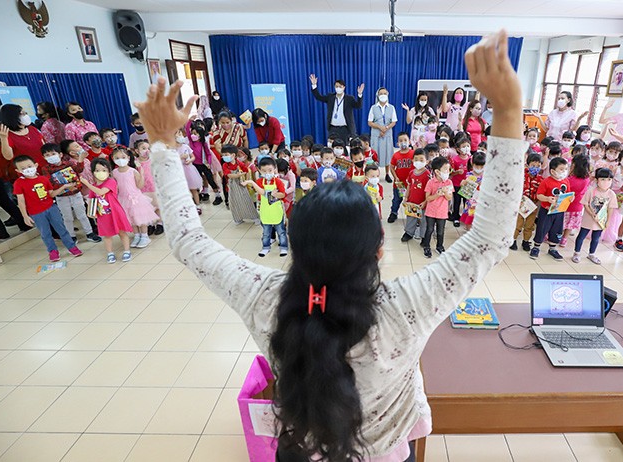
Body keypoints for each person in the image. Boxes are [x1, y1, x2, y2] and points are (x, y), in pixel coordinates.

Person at [136, 30, 523, 461]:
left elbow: (188, 240)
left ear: (297, 245)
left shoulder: (263, 297)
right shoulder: (407, 306)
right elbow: (490, 237)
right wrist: (506, 110)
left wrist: (163, 145)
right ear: (379, 249)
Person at [12, 155, 83, 262]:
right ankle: (52, 251)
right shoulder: (19, 183)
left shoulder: (43, 179)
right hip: (36, 213)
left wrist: (63, 187)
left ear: (35, 165)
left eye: (29, 166)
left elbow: (51, 194)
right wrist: (25, 216)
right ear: (18, 170)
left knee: (61, 229)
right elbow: (20, 201)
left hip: (51, 208)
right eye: (23, 168)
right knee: (45, 233)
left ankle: (71, 247)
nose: (27, 169)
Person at [39, 143, 101, 243]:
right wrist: (64, 187)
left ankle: (90, 233)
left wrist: (80, 159)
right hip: (61, 196)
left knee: (82, 214)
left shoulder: (68, 163)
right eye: (47, 155)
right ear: (44, 157)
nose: (51, 157)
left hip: (76, 193)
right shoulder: (46, 169)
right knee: (67, 217)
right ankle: (71, 235)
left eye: (53, 154)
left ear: (60, 154)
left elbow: (79, 169)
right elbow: (49, 183)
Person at [81, 158, 133, 263]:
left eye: (104, 170)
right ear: (93, 172)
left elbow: (100, 192)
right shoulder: (94, 186)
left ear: (109, 171)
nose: (101, 173)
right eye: (97, 170)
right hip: (103, 215)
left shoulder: (111, 181)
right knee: (107, 235)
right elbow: (92, 199)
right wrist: (91, 212)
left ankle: (127, 251)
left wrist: (87, 184)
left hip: (116, 212)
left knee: (122, 232)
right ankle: (110, 253)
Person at [110, 147, 159, 248]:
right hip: (123, 199)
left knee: (140, 218)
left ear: (128, 157)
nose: (120, 159)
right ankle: (136, 235)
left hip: (136, 198)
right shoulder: (114, 172)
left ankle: (145, 236)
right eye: (117, 157)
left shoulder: (132, 171)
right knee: (131, 218)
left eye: (123, 157)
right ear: (113, 159)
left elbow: (140, 186)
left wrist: (141, 173)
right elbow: (115, 187)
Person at [242, 157, 288, 257]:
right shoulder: (259, 182)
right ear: (259, 171)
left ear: (275, 169)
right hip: (265, 211)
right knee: (266, 232)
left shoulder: (278, 182)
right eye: (264, 171)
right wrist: (252, 183)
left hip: (276, 211)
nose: (268, 173)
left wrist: (276, 195)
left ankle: (283, 247)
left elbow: (283, 195)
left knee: (281, 232)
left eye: (270, 170)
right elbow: (262, 193)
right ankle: (266, 247)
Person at [573, 168, 617, 265]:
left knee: (596, 238)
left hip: (601, 220)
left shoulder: (611, 194)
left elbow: (611, 208)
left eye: (609, 180)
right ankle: (577, 252)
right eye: (603, 179)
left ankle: (591, 254)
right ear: (597, 180)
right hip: (588, 218)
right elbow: (585, 204)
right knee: (581, 236)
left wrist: (608, 221)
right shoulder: (591, 191)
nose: (606, 182)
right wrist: (591, 213)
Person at [530, 156, 570, 261]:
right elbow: (539, 195)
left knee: (556, 230)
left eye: (566, 169)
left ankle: (552, 248)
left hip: (559, 211)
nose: (564, 171)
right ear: (552, 171)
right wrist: (547, 199)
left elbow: (568, 194)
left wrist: (571, 198)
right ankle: (536, 247)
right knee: (542, 228)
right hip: (546, 210)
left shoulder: (566, 181)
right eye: (561, 169)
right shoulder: (546, 182)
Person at [310, 74, 364, 141]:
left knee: (344, 148)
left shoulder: (349, 98)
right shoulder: (330, 97)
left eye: (340, 86)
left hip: (345, 129)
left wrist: (360, 94)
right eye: (336, 86)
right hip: (333, 128)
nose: (338, 88)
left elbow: (358, 106)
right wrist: (314, 86)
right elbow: (319, 97)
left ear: (344, 87)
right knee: (332, 148)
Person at [421, 156, 454, 258]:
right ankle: (426, 245)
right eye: (446, 170)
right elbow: (428, 198)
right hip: (430, 211)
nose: (448, 172)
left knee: (440, 231)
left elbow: (449, 198)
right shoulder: (431, 182)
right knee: (429, 229)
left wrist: (445, 193)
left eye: (449, 170)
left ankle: (439, 246)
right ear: (437, 172)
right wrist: (438, 194)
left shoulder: (449, 182)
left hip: (442, 212)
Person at [186, 119, 224, 205]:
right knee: (197, 180)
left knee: (211, 180)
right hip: (195, 165)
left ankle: (218, 196)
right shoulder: (191, 142)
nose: (193, 135)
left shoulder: (203, 144)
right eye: (192, 133)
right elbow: (187, 129)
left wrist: (209, 163)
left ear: (200, 135)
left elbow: (208, 154)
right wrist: (190, 120)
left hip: (204, 164)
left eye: (195, 134)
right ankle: (199, 195)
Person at [511, 152, 543, 252]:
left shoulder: (540, 179)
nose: (536, 168)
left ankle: (526, 241)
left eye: (538, 166)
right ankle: (513, 240)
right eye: (533, 165)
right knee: (518, 223)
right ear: (527, 165)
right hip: (520, 203)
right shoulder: (521, 176)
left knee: (529, 225)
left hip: (533, 204)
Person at [561, 154, 590, 248]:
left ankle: (555, 236)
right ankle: (564, 240)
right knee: (570, 224)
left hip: (566, 204)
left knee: (562, 222)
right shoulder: (586, 179)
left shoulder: (570, 179)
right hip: (577, 205)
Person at [401, 149, 430, 242]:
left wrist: (425, 201)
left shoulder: (427, 174)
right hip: (412, 201)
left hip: (423, 203)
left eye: (421, 160)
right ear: (412, 160)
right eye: (416, 159)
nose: (418, 162)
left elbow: (429, 190)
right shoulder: (411, 173)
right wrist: (406, 197)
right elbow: (409, 185)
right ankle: (409, 233)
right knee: (411, 218)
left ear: (427, 161)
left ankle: (424, 236)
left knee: (423, 220)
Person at [386, 132, 414, 223]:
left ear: (409, 141)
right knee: (397, 199)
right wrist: (395, 177)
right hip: (400, 183)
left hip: (411, 183)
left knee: (411, 199)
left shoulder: (413, 153)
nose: (403, 142)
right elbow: (392, 167)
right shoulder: (396, 155)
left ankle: (411, 215)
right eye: (401, 141)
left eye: (405, 140)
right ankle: (394, 213)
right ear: (397, 143)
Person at [367, 87, 398, 168]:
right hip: (376, 135)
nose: (383, 95)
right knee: (375, 154)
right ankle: (374, 173)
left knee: (387, 154)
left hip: (387, 134)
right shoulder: (373, 107)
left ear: (387, 95)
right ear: (378, 95)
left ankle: (387, 174)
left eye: (385, 93)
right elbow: (370, 122)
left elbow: (394, 121)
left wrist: (385, 128)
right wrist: (379, 127)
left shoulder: (391, 107)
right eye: (381, 94)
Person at [176, 128, 203, 214]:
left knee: (193, 189)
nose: (180, 136)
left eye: (181, 134)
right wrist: (180, 157)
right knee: (183, 191)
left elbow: (193, 156)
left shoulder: (186, 146)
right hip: (179, 171)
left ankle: (198, 205)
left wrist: (190, 160)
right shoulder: (172, 149)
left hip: (189, 170)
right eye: (178, 134)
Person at [459, 152, 487, 231]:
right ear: (472, 164)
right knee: (470, 219)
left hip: (482, 202)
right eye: (476, 166)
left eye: (481, 166)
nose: (479, 168)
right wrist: (463, 184)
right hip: (471, 201)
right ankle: (469, 233)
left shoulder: (486, 176)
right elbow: (464, 189)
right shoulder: (469, 175)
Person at [448, 138, 472, 227]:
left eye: (468, 146)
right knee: (457, 202)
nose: (466, 148)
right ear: (458, 149)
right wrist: (457, 172)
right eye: (463, 146)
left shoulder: (470, 159)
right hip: (457, 184)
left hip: (467, 185)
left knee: (467, 202)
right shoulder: (455, 159)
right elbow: (450, 173)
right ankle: (456, 218)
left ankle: (466, 217)